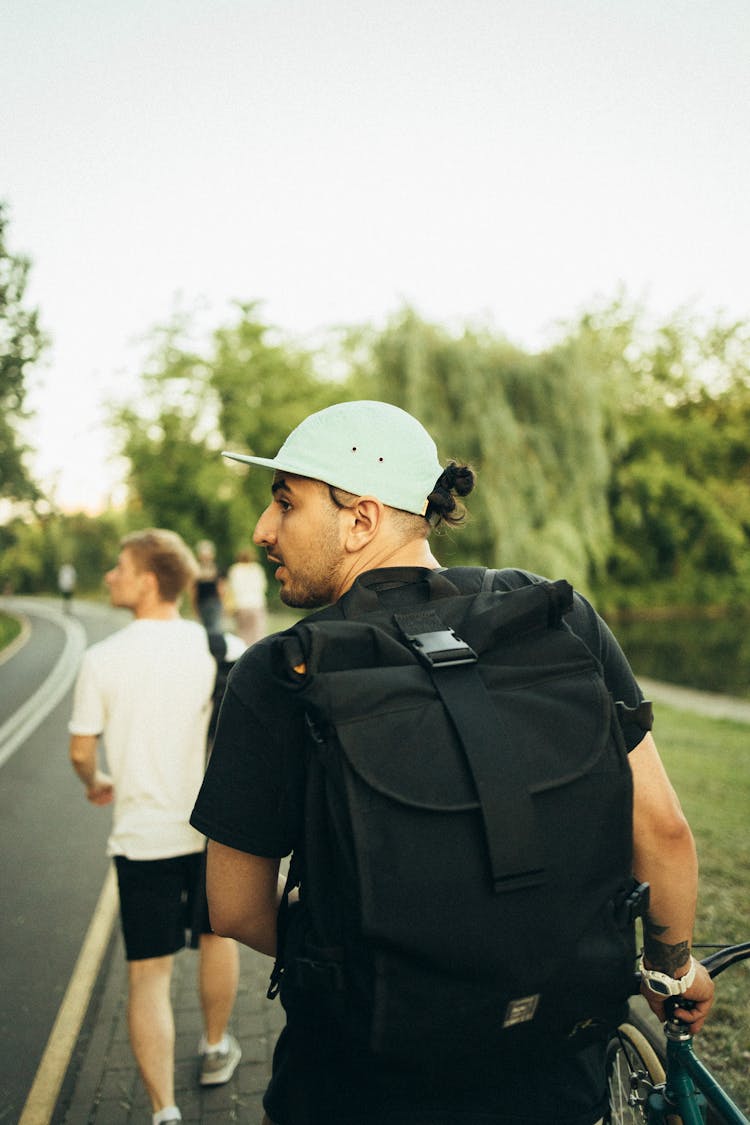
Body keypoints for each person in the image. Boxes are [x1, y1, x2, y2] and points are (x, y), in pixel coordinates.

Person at [190, 401, 715, 1125]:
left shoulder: (278, 672)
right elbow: (661, 828)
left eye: (285, 502)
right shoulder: (558, 617)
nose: (263, 529)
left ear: (362, 520)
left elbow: (236, 904)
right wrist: (670, 964)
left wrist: (379, 957)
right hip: (556, 1081)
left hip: (358, 1089)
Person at [69, 529, 242, 1125]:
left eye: (120, 567)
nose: (111, 576)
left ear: (148, 580)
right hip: (211, 832)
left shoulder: (102, 660)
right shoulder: (222, 648)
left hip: (143, 839)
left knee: (148, 975)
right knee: (217, 939)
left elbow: (79, 752)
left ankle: (164, 1111)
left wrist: (95, 780)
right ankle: (217, 1048)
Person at [225, 547, 268, 645]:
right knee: (258, 635)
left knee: (242, 635)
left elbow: (231, 589)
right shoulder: (257, 568)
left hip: (241, 605)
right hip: (257, 604)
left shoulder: (235, 569)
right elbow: (263, 586)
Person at [193, 539, 224, 633]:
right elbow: (193, 589)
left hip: (214, 602)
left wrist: (222, 603)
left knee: (215, 629)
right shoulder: (196, 569)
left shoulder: (216, 568)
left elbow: (221, 588)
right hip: (201, 603)